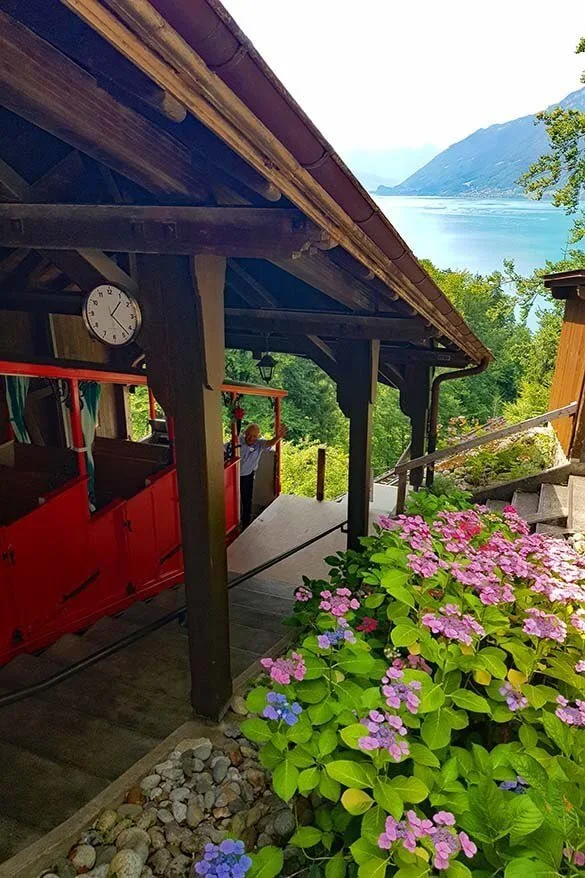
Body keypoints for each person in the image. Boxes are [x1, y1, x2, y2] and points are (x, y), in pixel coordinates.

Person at [238, 422, 286, 528]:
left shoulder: (259, 444)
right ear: (245, 433)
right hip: (234, 474)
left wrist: (278, 437)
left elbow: (270, 443)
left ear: (258, 436)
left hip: (247, 475)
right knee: (232, 498)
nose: (251, 438)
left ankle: (245, 523)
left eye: (254, 436)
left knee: (246, 499)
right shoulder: (238, 440)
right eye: (249, 435)